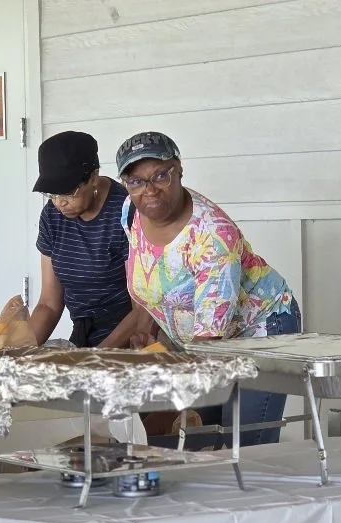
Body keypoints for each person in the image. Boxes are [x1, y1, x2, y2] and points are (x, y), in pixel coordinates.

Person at [116, 131, 302, 447]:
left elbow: (208, 341)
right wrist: (147, 335)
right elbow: (149, 276)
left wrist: (175, 391)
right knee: (202, 437)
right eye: (136, 181)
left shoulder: (213, 237)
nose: (150, 190)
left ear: (179, 170)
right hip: (199, 341)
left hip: (259, 330)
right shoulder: (131, 212)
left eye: (160, 175)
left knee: (245, 443)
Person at [31, 131, 146, 348]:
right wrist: (16, 351)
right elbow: (48, 305)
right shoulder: (52, 217)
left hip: (129, 338)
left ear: (93, 177)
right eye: (52, 194)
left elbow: (142, 308)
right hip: (84, 336)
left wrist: (96, 358)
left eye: (68, 192)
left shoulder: (126, 213)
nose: (59, 203)